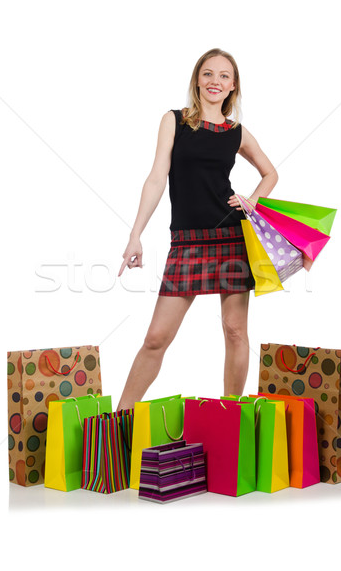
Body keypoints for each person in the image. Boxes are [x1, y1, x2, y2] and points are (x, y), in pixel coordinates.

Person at [116, 47, 278, 411]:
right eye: (208, 74)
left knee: (235, 332)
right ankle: (118, 423)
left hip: (230, 238)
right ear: (197, 80)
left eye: (223, 76)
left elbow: (271, 173)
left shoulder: (236, 131)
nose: (215, 81)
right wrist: (135, 234)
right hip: (187, 243)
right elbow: (157, 178)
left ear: (233, 85)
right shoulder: (174, 120)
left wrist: (252, 200)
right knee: (157, 337)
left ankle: (232, 419)